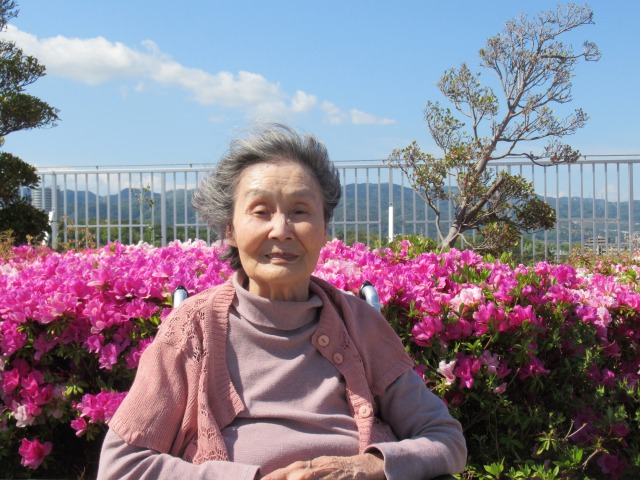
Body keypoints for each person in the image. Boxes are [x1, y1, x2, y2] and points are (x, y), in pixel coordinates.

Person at [97, 124, 467, 479]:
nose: (281, 230)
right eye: (261, 211)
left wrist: (368, 466)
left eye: (300, 211)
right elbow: (122, 465)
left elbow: (445, 438)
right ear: (230, 229)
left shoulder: (359, 324)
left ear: (324, 228)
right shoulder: (192, 330)